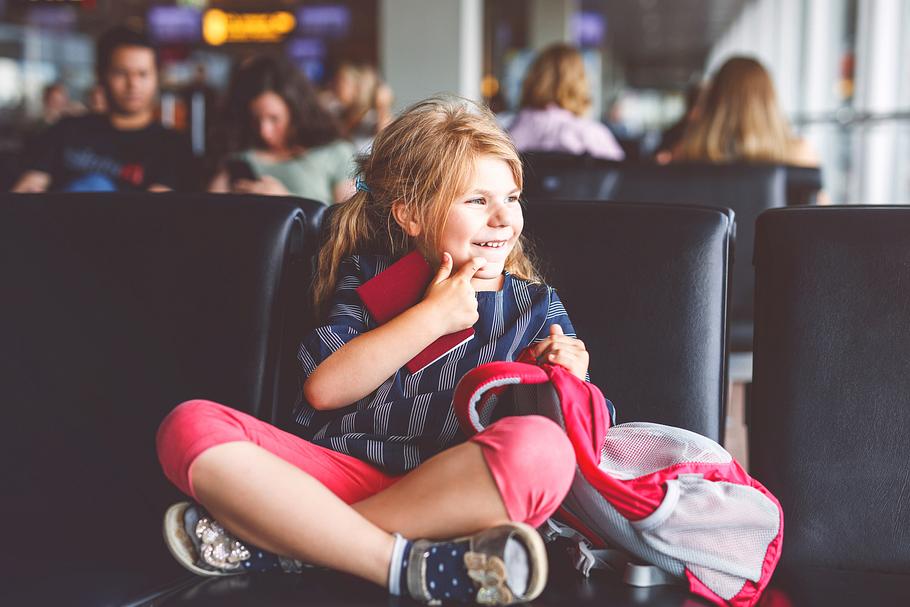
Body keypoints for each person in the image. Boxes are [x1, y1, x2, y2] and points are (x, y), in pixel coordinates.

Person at [156, 96, 592, 605]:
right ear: (411, 216)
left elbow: (576, 434)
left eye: (512, 198)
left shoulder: (534, 305)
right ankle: (404, 563)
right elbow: (323, 390)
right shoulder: (369, 278)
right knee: (189, 426)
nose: (502, 218)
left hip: (449, 492)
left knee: (544, 449)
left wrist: (571, 374)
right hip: (339, 473)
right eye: (477, 201)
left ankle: (290, 544)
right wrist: (430, 316)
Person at [12, 27, 190, 193]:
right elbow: (27, 190)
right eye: (121, 73)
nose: (133, 85)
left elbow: (162, 213)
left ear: (156, 78)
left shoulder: (171, 147)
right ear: (101, 75)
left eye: (143, 74)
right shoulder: (66, 131)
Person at [209, 55, 355, 204]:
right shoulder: (238, 158)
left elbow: (349, 224)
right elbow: (211, 216)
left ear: (297, 112)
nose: (264, 131)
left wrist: (285, 202)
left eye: (274, 119)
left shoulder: (336, 153)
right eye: (255, 119)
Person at [672, 56, 819, 167]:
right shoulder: (800, 155)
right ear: (769, 101)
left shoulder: (685, 154)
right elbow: (819, 206)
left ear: (713, 101)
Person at [508, 43, 624, 161]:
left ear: (533, 78)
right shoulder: (591, 135)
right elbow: (619, 173)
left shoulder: (507, 137)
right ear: (580, 83)